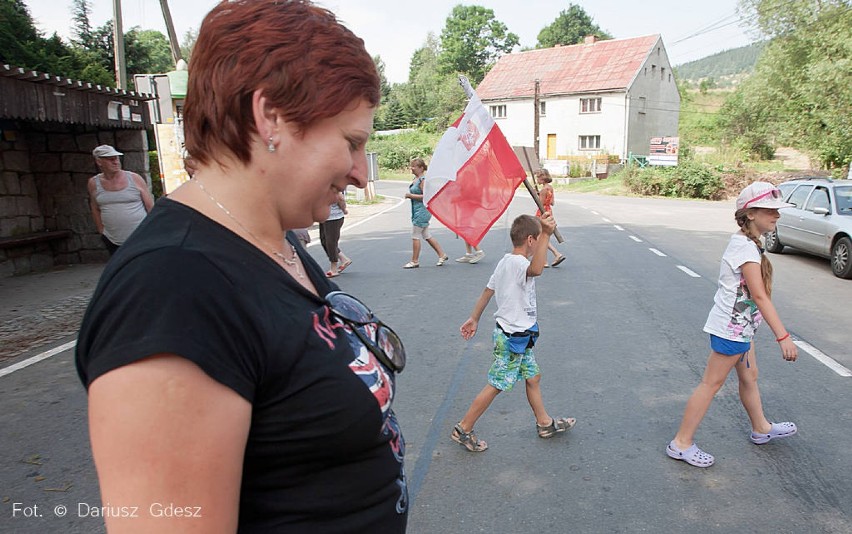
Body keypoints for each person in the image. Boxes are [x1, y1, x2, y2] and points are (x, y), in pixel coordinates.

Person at [75, 1, 408, 532]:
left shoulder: (268, 237)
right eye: (351, 142)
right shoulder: (171, 292)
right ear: (270, 116)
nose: (361, 175)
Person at [667, 182, 799, 468]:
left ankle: (761, 428)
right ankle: (681, 443)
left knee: (750, 377)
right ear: (750, 214)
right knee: (710, 384)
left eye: (778, 211)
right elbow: (760, 296)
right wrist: (783, 336)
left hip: (742, 328)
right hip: (731, 330)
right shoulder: (745, 249)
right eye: (770, 211)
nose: (776, 216)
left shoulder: (749, 243)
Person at [452, 213, 576, 452]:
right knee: (497, 384)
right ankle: (463, 428)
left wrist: (474, 317)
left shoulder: (505, 261)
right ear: (531, 240)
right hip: (512, 338)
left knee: (533, 377)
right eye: (539, 240)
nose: (541, 244)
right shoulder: (520, 264)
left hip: (520, 335)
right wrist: (548, 233)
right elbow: (537, 269)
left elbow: (488, 291)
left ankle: (544, 423)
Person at [87, 144, 154, 255]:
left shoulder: (134, 178)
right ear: (99, 162)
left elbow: (150, 206)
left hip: (140, 236)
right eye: (110, 159)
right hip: (112, 239)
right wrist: (101, 230)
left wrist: (152, 229)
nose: (116, 162)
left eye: (117, 158)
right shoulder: (93, 183)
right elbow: (94, 207)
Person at [404, 158, 448, 268]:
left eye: (414, 166)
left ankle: (415, 261)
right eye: (411, 166)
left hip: (422, 211)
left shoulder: (423, 180)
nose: (412, 168)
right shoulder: (416, 179)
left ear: (421, 168)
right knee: (426, 235)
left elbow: (426, 197)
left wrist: (411, 196)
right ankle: (442, 254)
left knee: (415, 235)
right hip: (417, 210)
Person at [534, 169, 565, 267]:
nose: (536, 180)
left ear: (542, 179)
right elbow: (552, 202)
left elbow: (540, 203)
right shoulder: (550, 188)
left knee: (539, 236)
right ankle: (544, 261)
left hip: (542, 213)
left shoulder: (543, 190)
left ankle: (556, 254)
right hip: (549, 211)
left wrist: (536, 194)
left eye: (537, 178)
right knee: (543, 235)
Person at [320, 191, 352, 277]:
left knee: (331, 243)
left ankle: (333, 268)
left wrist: (344, 209)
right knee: (324, 241)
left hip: (334, 217)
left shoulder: (332, 183)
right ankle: (344, 259)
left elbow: (340, 198)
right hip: (324, 216)